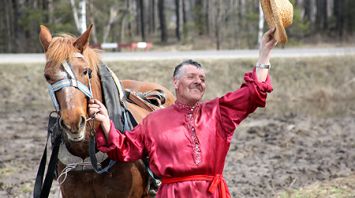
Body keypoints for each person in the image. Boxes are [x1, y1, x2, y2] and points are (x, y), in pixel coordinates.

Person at [88, 28, 277, 198]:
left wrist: (264, 53)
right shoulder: (153, 121)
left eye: (202, 78)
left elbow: (252, 94)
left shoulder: (219, 112)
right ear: (176, 83)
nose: (198, 81)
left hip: (212, 193)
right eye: (191, 76)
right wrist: (105, 121)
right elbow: (125, 148)